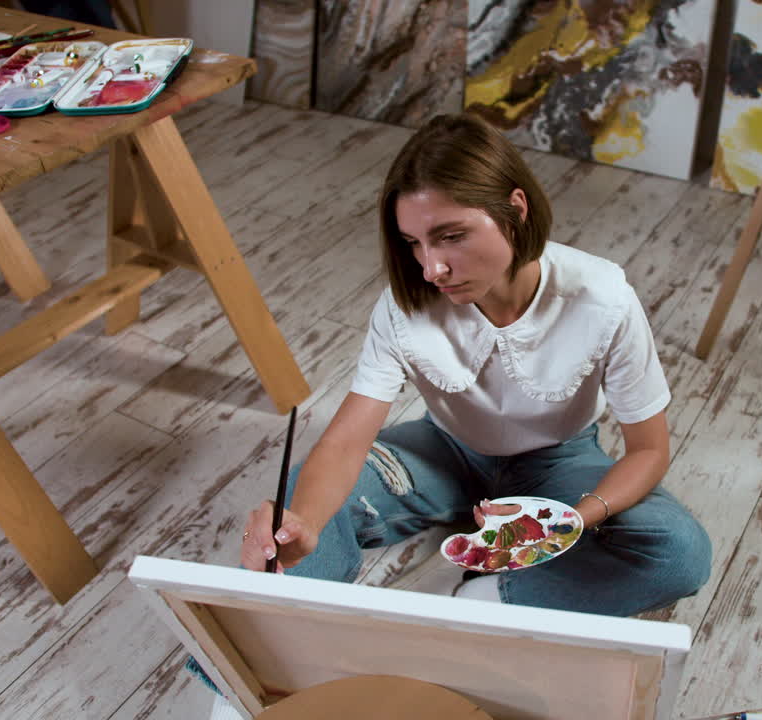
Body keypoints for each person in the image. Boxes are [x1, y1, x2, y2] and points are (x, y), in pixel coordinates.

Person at [239, 113, 711, 617]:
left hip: (560, 465)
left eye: (451, 236)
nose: (430, 268)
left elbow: (649, 450)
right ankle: (245, 668)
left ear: (515, 208)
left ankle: (487, 599)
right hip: (441, 454)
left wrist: (567, 520)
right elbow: (346, 441)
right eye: (413, 243)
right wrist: (306, 521)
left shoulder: (602, 298)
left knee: (678, 554)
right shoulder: (404, 307)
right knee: (292, 505)